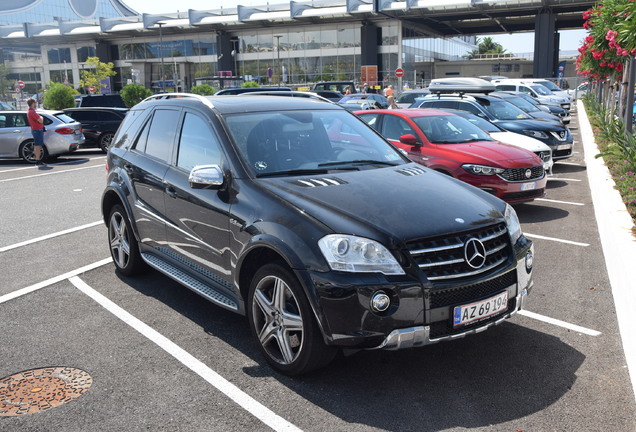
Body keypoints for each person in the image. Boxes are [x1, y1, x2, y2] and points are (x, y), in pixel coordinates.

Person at [27, 97, 46, 167]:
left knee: (39, 145)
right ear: (32, 104)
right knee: (38, 146)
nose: (35, 104)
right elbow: (40, 120)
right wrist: (41, 117)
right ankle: (38, 161)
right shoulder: (32, 112)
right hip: (37, 130)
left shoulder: (31, 111)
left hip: (37, 130)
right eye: (35, 103)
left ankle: (38, 160)